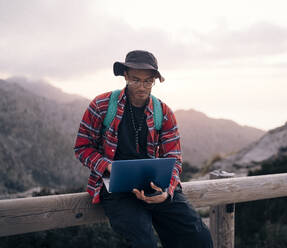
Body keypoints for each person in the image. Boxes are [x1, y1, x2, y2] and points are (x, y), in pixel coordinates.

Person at [74, 50, 213, 248]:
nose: (141, 86)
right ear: (125, 76)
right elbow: (82, 147)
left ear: (155, 80)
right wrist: (107, 165)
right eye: (135, 80)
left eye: (148, 81)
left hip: (155, 185)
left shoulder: (163, 113)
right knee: (144, 241)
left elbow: (174, 157)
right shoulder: (102, 105)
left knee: (199, 238)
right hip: (116, 188)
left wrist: (167, 191)